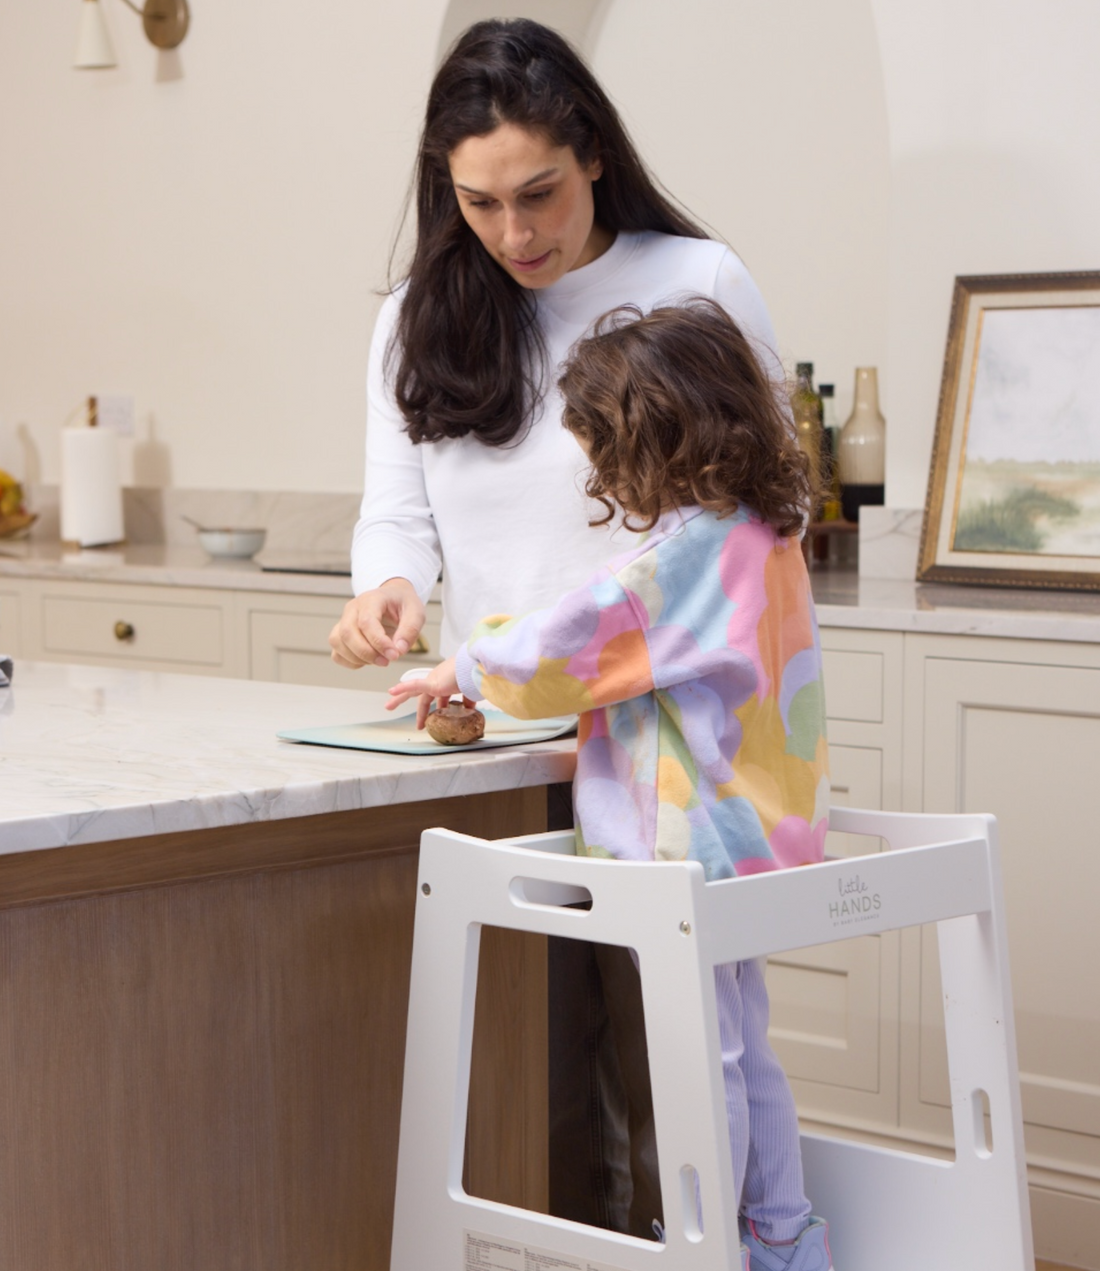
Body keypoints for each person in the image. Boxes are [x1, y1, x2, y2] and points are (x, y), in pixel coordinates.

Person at [327, 14, 788, 1239]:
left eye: (536, 193)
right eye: (478, 204)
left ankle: (711, 1247)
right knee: (528, 1079)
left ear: (590, 149)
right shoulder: (415, 319)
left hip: (660, 751)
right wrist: (390, 588)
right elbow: (395, 513)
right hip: (494, 736)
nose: (514, 233)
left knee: (676, 1059)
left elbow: (744, 520)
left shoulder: (695, 283)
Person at [386, 298, 834, 1271]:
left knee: (698, 1055)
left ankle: (702, 1244)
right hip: (756, 833)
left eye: (599, 445)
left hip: (689, 846)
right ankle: (780, 1234)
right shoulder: (763, 534)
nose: (595, 471)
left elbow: (576, 636)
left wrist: (458, 666)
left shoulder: (688, 554)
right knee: (746, 1046)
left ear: (648, 436)